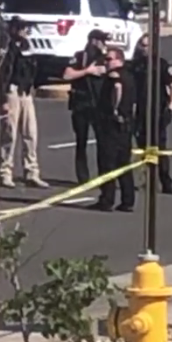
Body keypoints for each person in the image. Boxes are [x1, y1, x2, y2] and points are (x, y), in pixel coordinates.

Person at [0, 17, 48, 189]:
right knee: (9, 133)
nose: (25, 32)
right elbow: (3, 73)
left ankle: (31, 172)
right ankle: (5, 171)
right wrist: (3, 98)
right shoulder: (7, 48)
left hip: (26, 92)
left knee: (30, 133)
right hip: (11, 91)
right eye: (21, 28)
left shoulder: (29, 47)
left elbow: (35, 70)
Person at [130, 34, 172, 194]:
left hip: (158, 110)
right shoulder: (135, 65)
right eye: (142, 45)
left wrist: (171, 107)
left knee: (160, 148)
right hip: (140, 111)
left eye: (148, 46)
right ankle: (148, 180)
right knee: (143, 147)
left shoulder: (161, 64)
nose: (144, 49)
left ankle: (166, 182)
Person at [90, 48, 136, 212]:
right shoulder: (129, 76)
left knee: (107, 164)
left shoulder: (114, 76)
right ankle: (128, 200)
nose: (106, 62)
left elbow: (117, 89)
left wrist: (114, 108)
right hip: (126, 125)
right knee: (124, 164)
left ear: (119, 60)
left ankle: (107, 200)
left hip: (111, 125)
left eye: (109, 59)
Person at [63, 30, 109, 184]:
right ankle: (83, 177)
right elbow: (67, 75)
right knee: (81, 141)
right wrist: (87, 71)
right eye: (102, 40)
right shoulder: (80, 57)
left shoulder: (105, 59)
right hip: (81, 104)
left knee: (103, 142)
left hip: (99, 105)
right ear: (94, 41)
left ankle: (104, 174)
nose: (104, 44)